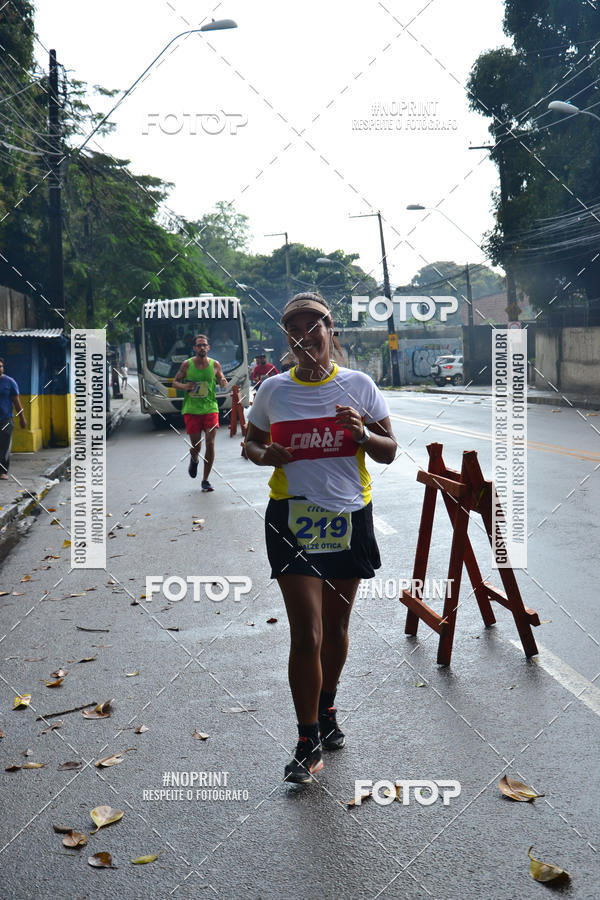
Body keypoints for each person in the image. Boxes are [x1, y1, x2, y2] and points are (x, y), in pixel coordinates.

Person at [244, 293, 396, 783]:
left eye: (314, 327)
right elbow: (251, 440)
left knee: (335, 628)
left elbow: (390, 451)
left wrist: (364, 437)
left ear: (332, 332)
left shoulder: (359, 385)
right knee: (306, 632)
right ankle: (307, 739)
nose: (305, 336)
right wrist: (266, 455)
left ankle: (327, 708)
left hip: (350, 517)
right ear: (286, 338)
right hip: (291, 519)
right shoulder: (273, 390)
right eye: (294, 329)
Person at [172, 334, 228, 492]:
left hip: (210, 407)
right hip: (192, 409)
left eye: (204, 345)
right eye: (199, 345)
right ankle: (194, 458)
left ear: (208, 347)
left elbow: (221, 378)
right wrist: (185, 387)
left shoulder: (215, 364)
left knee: (210, 442)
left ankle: (205, 479)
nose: (202, 347)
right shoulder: (187, 365)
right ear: (194, 348)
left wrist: (223, 381)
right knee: (196, 446)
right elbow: (175, 382)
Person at [0, 358, 27, 480]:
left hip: (5, 419)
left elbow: (17, 402)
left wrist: (22, 418)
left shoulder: (9, 382)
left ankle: (2, 471)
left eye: (1, 366)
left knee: (4, 446)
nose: (0, 368)